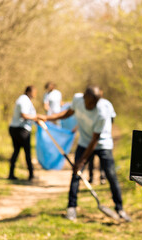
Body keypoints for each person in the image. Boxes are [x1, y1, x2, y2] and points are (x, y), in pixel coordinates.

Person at [39, 85, 131, 222]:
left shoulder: (102, 111)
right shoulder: (77, 100)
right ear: (84, 98)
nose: (91, 106)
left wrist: (81, 161)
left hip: (102, 144)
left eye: (94, 103)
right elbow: (68, 113)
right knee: (75, 174)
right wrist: (48, 117)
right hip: (84, 142)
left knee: (111, 175)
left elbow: (95, 140)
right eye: (89, 103)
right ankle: (71, 208)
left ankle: (120, 209)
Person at [8, 86, 39, 181]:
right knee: (27, 152)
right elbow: (24, 115)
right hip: (21, 130)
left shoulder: (24, 99)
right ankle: (31, 175)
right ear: (29, 91)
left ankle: (11, 174)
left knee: (16, 151)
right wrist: (37, 117)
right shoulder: (24, 100)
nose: (35, 94)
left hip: (16, 128)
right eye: (34, 92)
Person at [88, 97, 116, 185]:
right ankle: (92, 177)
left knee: (100, 161)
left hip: (103, 140)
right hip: (91, 138)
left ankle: (101, 177)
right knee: (91, 159)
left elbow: (112, 118)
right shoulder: (91, 104)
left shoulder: (107, 104)